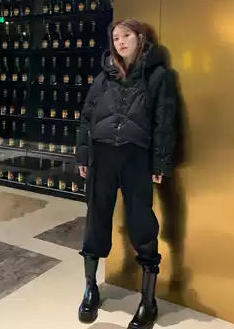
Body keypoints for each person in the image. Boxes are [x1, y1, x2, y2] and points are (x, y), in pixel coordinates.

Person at [76, 18, 177, 329]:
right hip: (102, 156)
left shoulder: (158, 76)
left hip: (136, 159)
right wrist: (83, 156)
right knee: (96, 219)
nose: (120, 42)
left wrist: (159, 164)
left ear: (140, 38)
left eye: (126, 36)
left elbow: (164, 123)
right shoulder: (103, 77)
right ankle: (91, 288)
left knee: (142, 223)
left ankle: (148, 301)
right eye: (116, 37)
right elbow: (86, 118)